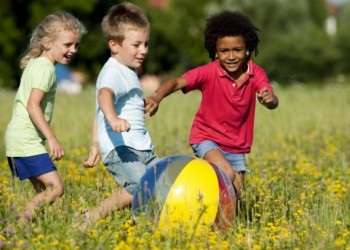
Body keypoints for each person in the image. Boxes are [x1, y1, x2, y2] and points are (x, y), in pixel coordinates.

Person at [144, 11, 279, 209]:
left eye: (237, 50)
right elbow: (176, 81)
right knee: (227, 173)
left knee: (237, 196)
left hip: (236, 145)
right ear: (216, 52)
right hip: (206, 137)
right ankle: (193, 203)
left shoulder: (255, 73)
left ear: (247, 50)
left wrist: (269, 99)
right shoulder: (208, 72)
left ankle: (219, 226)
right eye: (224, 51)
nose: (231, 56)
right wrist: (157, 96)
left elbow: (270, 97)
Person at [4, 12, 86, 223]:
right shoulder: (46, 68)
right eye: (68, 44)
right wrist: (52, 137)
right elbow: (33, 106)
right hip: (26, 139)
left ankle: (31, 230)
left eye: (76, 45)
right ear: (47, 42)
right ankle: (17, 226)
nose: (73, 50)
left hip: (18, 138)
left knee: (43, 191)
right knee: (56, 188)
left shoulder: (36, 63)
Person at [82, 2, 159, 224]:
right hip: (121, 148)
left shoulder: (128, 70)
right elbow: (104, 95)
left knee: (163, 182)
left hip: (142, 147)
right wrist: (114, 119)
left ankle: (146, 224)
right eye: (136, 45)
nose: (144, 50)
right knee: (139, 187)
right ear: (114, 45)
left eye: (146, 44)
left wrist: (94, 144)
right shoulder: (113, 72)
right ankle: (93, 216)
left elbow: (100, 110)